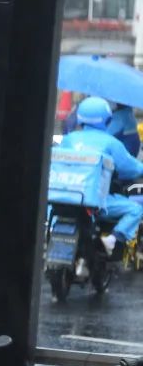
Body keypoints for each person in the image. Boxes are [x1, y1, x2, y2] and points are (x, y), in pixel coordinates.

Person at [60, 97, 143, 255]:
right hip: (95, 201)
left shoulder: (69, 139)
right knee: (136, 210)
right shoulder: (111, 143)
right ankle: (112, 240)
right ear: (107, 118)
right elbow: (131, 168)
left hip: (64, 197)